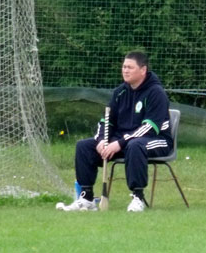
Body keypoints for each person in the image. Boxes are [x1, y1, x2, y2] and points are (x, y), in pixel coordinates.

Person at [57, 51, 172, 212]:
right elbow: (107, 121)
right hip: (125, 141)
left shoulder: (156, 93)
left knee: (135, 145)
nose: (125, 70)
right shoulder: (120, 92)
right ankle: (86, 198)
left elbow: (150, 127)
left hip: (156, 140)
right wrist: (102, 140)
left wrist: (120, 143)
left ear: (143, 70)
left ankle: (138, 197)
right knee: (84, 146)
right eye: (124, 67)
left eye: (130, 67)